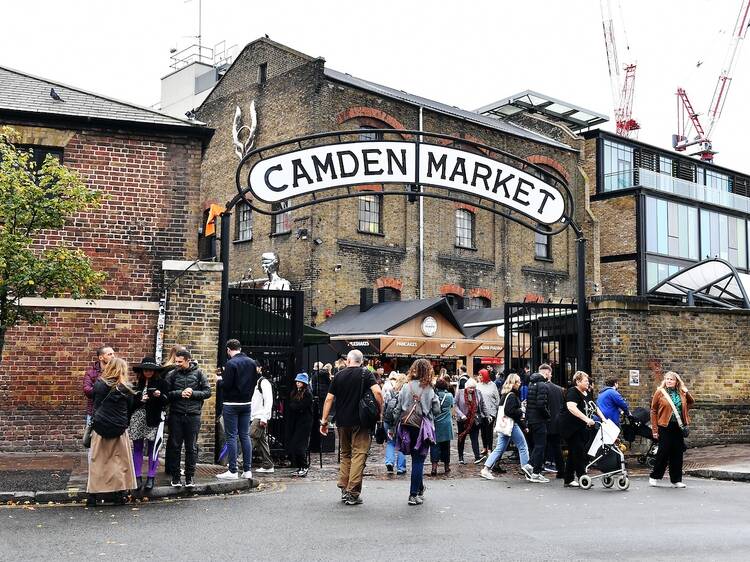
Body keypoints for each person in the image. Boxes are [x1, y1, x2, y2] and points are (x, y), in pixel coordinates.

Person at [319, 349, 383, 506]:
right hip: (361, 421)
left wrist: (324, 421)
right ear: (361, 361)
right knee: (359, 454)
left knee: (345, 454)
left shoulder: (339, 375)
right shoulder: (366, 374)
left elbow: (329, 399)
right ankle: (352, 492)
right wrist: (379, 412)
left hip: (342, 421)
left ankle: (344, 487)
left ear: (348, 361)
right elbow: (378, 393)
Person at [87, 357, 137, 507]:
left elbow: (95, 403)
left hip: (100, 428)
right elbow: (130, 409)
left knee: (98, 463)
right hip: (119, 429)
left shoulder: (99, 385)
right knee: (119, 463)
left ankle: (92, 496)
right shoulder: (126, 388)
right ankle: (118, 494)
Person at [394, 358, 440, 506]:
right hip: (422, 427)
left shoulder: (406, 387)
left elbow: (398, 406)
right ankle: (413, 494)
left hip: (407, 425)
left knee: (415, 460)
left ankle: (419, 488)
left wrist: (391, 426)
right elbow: (437, 410)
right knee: (418, 460)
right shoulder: (429, 389)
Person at [164, 349, 211, 488]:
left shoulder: (199, 373)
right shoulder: (172, 374)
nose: (177, 364)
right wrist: (179, 393)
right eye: (176, 361)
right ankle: (176, 477)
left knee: (191, 447)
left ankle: (190, 477)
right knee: (175, 447)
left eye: (180, 362)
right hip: (176, 415)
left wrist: (193, 393)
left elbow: (207, 392)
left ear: (188, 360)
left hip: (193, 415)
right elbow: (166, 394)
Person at [217, 339, 258, 481]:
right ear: (240, 348)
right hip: (246, 403)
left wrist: (219, 380)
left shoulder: (231, 363)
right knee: (245, 436)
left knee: (231, 436)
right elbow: (253, 382)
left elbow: (227, 385)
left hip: (231, 404)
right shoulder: (252, 362)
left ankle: (232, 470)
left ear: (228, 349)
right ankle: (247, 470)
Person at [480, 374, 532, 481]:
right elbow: (510, 412)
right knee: (522, 446)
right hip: (511, 425)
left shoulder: (505, 394)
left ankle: (486, 469)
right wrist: (521, 410)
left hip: (504, 425)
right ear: (513, 383)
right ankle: (527, 469)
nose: (520, 383)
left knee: (499, 448)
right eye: (518, 382)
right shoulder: (512, 395)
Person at [129, 357, 169, 492]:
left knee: (153, 448)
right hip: (137, 418)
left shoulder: (162, 383)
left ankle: (151, 477)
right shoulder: (135, 384)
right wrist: (140, 400)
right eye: (145, 370)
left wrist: (159, 396)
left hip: (153, 418)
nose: (148, 372)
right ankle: (137, 477)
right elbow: (130, 404)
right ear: (141, 370)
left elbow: (166, 401)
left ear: (155, 371)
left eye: (151, 370)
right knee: (137, 447)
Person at [649, 371, 694, 488]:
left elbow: (691, 402)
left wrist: (686, 390)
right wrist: (654, 430)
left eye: (671, 379)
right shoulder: (660, 392)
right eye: (667, 379)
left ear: (676, 382)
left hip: (678, 426)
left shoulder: (681, 393)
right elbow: (653, 411)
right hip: (664, 426)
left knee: (677, 453)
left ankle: (676, 480)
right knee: (663, 452)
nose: (669, 381)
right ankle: (654, 476)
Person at [559, 371, 604, 488]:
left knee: (574, 452)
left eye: (588, 381)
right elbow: (571, 407)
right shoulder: (573, 392)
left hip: (581, 427)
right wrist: (586, 419)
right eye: (585, 381)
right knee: (578, 451)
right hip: (571, 427)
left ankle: (568, 479)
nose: (588, 383)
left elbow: (594, 407)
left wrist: (604, 419)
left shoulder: (586, 393)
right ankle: (582, 476)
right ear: (578, 381)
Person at [526, 364, 552, 483]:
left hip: (531, 419)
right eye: (550, 373)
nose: (550, 376)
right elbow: (541, 405)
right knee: (541, 445)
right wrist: (548, 415)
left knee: (537, 445)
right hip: (539, 419)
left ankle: (536, 472)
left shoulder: (532, 383)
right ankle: (531, 466)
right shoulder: (543, 385)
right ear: (546, 373)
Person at [286, 373, 314, 476]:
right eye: (297, 381)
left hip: (304, 423)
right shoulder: (295, 392)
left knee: (300, 445)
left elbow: (299, 406)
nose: (298, 383)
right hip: (297, 421)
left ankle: (304, 466)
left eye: (300, 382)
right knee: (295, 444)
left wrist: (294, 405)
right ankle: (300, 466)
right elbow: (293, 405)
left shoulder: (307, 394)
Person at [250, 366, 275, 474]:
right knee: (261, 441)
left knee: (250, 439)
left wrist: (264, 417)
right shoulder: (254, 382)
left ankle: (239, 462)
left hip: (260, 416)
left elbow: (268, 400)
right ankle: (268, 465)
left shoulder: (263, 382)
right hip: (255, 415)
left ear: (260, 368)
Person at [543, 367, 566, 478]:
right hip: (557, 422)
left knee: (540, 445)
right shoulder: (559, 389)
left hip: (545, 421)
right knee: (557, 447)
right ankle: (561, 470)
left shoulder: (542, 388)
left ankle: (539, 467)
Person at [454, 379, 484, 464]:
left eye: (474, 388)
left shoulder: (478, 393)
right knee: (461, 438)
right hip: (463, 420)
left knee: (474, 438)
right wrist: (461, 415)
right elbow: (455, 404)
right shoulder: (460, 392)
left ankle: (477, 457)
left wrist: (485, 415)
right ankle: (461, 457)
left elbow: (482, 404)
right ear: (466, 387)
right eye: (470, 388)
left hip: (474, 419)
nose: (472, 390)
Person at [382, 372, 407, 475]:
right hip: (401, 421)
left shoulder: (390, 392)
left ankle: (389, 462)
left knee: (390, 442)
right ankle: (401, 468)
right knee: (402, 444)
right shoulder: (406, 394)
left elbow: (385, 405)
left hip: (389, 421)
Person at [83, 346, 115, 423]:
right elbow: (87, 390)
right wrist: (103, 389)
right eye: (109, 354)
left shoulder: (116, 372)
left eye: (113, 354)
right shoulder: (91, 373)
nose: (113, 356)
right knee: (90, 434)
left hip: (112, 412)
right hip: (94, 411)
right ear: (101, 357)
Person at [430, 376, 454, 476]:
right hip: (446, 424)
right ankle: (446, 467)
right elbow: (451, 406)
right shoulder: (449, 396)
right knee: (446, 446)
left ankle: (434, 468)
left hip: (435, 423)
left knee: (434, 446)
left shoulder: (432, 396)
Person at [476, 368, 500, 461]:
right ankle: (484, 447)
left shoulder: (493, 385)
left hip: (491, 412)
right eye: (479, 375)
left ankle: (490, 448)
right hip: (481, 412)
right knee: (482, 431)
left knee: (489, 430)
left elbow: (497, 398)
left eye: (481, 375)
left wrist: (497, 409)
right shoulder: (478, 385)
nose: (479, 377)